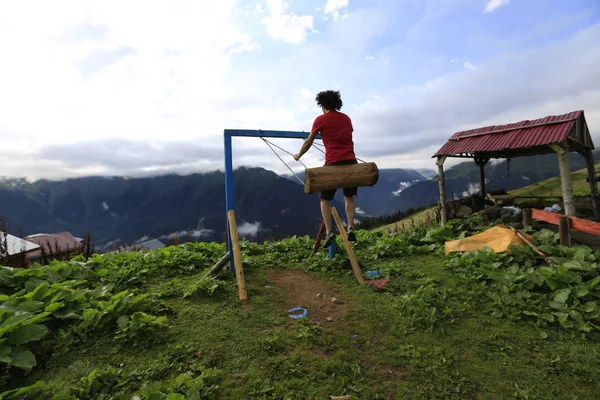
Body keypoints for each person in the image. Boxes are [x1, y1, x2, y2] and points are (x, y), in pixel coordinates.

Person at [293, 90, 358, 248]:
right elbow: (346, 135)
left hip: (333, 163)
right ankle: (350, 226)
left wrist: (298, 155)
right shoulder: (346, 118)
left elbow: (309, 141)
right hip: (351, 161)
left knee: (325, 199)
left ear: (323, 104)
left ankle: (329, 232)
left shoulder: (320, 120)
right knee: (349, 196)